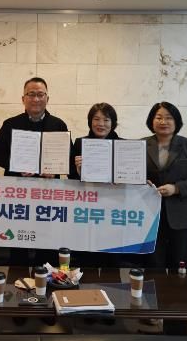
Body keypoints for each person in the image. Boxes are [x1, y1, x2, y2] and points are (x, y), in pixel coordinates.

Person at [0, 77, 70, 265]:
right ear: (23, 99)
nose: (36, 99)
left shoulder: (59, 125)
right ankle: (17, 280)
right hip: (18, 195)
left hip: (47, 195)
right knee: (18, 242)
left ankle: (45, 280)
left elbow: (67, 156)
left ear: (47, 98)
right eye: (31, 94)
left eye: (40, 94)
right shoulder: (10, 124)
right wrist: (16, 167)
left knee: (46, 244)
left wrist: (55, 169)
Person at [143, 102, 187, 270]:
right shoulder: (140, 145)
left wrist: (176, 188)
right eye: (158, 117)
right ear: (151, 121)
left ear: (176, 121)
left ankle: (179, 288)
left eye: (169, 118)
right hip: (149, 214)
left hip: (181, 215)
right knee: (153, 262)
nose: (163, 122)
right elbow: (130, 174)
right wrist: (141, 182)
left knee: (179, 261)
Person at [69, 103, 126, 267]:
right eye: (96, 119)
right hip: (87, 208)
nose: (101, 124)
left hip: (113, 209)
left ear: (113, 123)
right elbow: (71, 177)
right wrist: (79, 171)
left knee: (112, 256)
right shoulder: (80, 143)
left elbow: (130, 178)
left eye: (106, 120)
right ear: (90, 121)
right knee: (86, 254)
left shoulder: (123, 145)